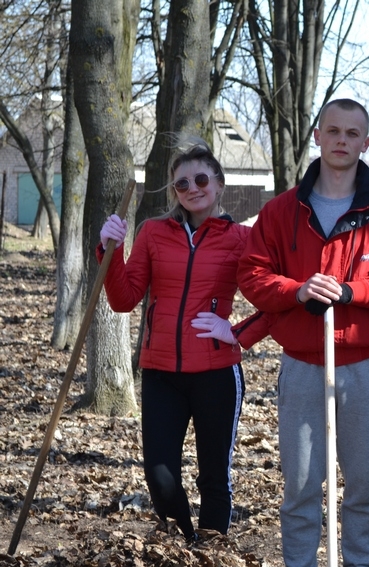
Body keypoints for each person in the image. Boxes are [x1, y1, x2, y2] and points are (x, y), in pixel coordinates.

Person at [237, 98, 369, 567]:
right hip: (303, 363)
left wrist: (352, 292)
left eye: (353, 133)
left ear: (367, 143)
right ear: (317, 137)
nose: (342, 140)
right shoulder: (281, 211)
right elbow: (251, 272)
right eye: (333, 131)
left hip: (364, 364)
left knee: (363, 480)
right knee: (300, 482)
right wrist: (297, 291)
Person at [98, 142, 269, 544]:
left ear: (219, 183)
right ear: (174, 191)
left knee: (213, 475)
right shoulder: (154, 232)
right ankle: (184, 547)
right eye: (181, 183)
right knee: (159, 473)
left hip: (216, 375)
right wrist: (110, 251)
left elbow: (277, 302)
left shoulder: (242, 239)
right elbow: (124, 299)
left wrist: (237, 333)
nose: (192, 188)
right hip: (161, 373)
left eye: (201, 179)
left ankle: (209, 557)